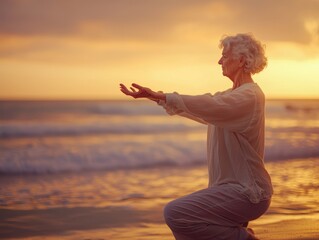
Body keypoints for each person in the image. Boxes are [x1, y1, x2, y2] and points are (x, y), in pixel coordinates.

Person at [119, 33, 273, 240]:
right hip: (229, 191)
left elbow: (211, 105)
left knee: (176, 213)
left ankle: (244, 238)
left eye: (225, 56)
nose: (219, 61)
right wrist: (156, 97)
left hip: (249, 192)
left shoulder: (250, 96)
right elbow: (203, 110)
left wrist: (163, 96)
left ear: (242, 60)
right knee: (184, 226)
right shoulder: (232, 96)